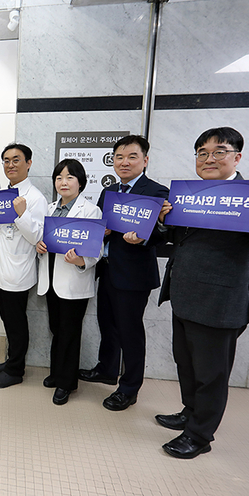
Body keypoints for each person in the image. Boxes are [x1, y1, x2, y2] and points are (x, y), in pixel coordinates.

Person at [156, 127, 249, 459]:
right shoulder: (188, 195)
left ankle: (199, 435)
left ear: (237, 157)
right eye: (202, 152)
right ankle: (190, 412)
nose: (209, 158)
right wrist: (162, 221)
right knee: (185, 364)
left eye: (219, 151)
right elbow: (175, 239)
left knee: (211, 374)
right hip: (183, 296)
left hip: (219, 303)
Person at [78, 135, 169, 411]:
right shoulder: (110, 191)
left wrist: (143, 237)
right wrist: (103, 231)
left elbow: (165, 233)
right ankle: (107, 369)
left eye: (132, 156)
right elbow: (103, 227)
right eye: (119, 157)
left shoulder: (157, 192)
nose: (124, 162)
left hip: (133, 275)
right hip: (107, 269)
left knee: (130, 331)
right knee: (107, 324)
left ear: (145, 160)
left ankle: (129, 388)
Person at [0, 143, 47, 388]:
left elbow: (38, 237)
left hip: (17, 271)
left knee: (16, 323)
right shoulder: (2, 195)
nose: (10, 165)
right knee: (7, 320)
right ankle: (10, 360)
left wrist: (22, 214)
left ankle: (16, 370)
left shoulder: (35, 198)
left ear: (29, 163)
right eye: (6, 160)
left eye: (16, 160)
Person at [36, 159, 102, 405]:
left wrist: (80, 261)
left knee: (70, 333)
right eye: (59, 178)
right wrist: (39, 247)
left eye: (69, 177)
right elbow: (43, 241)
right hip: (51, 280)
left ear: (80, 183)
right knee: (56, 328)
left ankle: (66, 383)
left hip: (74, 281)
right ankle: (56, 372)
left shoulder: (91, 211)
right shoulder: (50, 209)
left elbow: (96, 250)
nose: (63, 182)